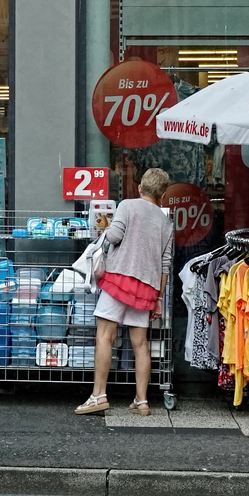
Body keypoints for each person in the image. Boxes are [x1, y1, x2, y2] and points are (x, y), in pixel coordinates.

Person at [76, 167, 173, 416]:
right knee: (140, 344)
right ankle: (141, 401)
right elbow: (165, 263)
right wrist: (158, 298)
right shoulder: (166, 223)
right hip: (147, 288)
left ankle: (98, 395)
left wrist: (106, 231)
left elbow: (116, 236)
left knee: (105, 336)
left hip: (119, 281)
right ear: (162, 195)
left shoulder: (128, 206)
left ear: (141, 188)